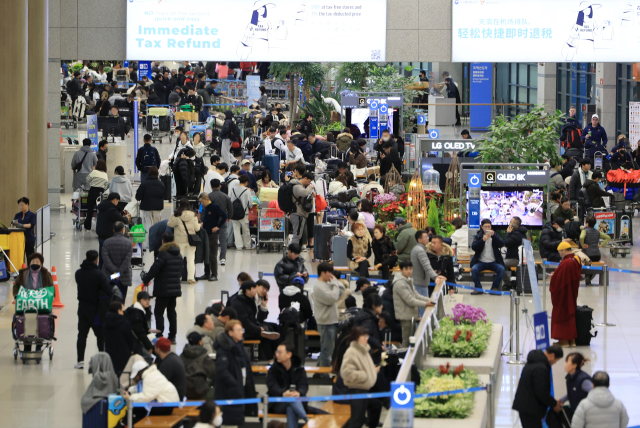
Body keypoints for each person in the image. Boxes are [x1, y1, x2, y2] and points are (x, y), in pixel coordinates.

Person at [213, 320, 258, 427]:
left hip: (241, 391)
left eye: (242, 330)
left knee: (240, 421)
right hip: (230, 393)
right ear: (230, 333)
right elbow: (222, 371)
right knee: (231, 422)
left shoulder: (239, 347)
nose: (241, 332)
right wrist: (235, 384)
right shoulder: (224, 350)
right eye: (238, 330)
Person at [75, 250, 113, 369]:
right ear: (97, 260)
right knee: (100, 336)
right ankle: (102, 361)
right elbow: (108, 290)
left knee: (82, 335)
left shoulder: (78, 273)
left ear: (86, 258)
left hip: (82, 308)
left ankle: (80, 361)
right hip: (97, 310)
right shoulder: (99, 274)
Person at [142, 233, 183, 343]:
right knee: (171, 312)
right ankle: (172, 336)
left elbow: (154, 269)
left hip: (163, 289)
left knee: (158, 312)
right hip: (174, 288)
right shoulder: (179, 255)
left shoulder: (163, 254)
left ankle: (160, 335)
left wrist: (146, 279)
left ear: (163, 241)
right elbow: (180, 272)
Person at [512, 346, 564, 428]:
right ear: (552, 356)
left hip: (526, 405)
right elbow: (541, 391)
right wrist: (554, 404)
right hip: (530, 408)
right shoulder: (541, 368)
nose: (555, 363)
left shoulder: (534, 362)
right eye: (556, 360)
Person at [339, 327, 382, 428]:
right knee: (357, 420)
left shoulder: (363, 350)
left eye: (367, 336)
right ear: (357, 338)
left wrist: (372, 371)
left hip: (363, 389)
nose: (366, 338)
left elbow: (364, 367)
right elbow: (346, 372)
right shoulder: (352, 352)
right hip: (356, 390)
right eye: (364, 336)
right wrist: (366, 375)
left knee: (376, 406)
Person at [121, 360, 180, 425]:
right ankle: (124, 423)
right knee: (138, 410)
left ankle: (123, 424)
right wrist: (130, 392)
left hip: (166, 406)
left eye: (135, 376)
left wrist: (130, 397)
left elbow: (146, 397)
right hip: (166, 404)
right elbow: (142, 388)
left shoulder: (150, 377)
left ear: (139, 373)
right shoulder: (151, 374)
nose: (135, 378)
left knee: (139, 411)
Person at [267, 343, 310, 428]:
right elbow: (271, 385)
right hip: (278, 403)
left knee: (291, 409)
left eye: (280, 352)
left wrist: (299, 393)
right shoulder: (273, 370)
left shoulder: (299, 369)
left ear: (289, 354)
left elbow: (303, 384)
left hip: (296, 401)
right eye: (276, 352)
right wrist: (282, 393)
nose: (277, 355)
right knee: (291, 398)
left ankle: (306, 419)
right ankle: (306, 419)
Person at [313, 262, 347, 367]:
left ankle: (319, 372)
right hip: (326, 322)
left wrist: (335, 281)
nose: (331, 275)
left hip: (331, 321)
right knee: (327, 351)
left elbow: (341, 291)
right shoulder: (319, 287)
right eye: (329, 272)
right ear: (323, 273)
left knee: (328, 349)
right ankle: (324, 374)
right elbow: (333, 298)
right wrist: (334, 283)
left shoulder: (328, 283)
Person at [394, 261, 434, 347]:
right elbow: (410, 300)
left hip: (410, 315)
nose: (409, 271)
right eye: (406, 269)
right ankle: (404, 358)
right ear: (401, 270)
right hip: (405, 316)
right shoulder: (399, 283)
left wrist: (430, 299)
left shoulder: (408, 280)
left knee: (411, 340)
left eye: (410, 269)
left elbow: (416, 295)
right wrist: (426, 304)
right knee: (406, 341)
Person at [549, 242, 582, 347]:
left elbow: (559, 281)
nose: (559, 254)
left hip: (564, 294)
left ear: (564, 250)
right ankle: (572, 341)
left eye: (559, 252)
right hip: (571, 292)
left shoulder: (566, 263)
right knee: (570, 314)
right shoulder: (576, 259)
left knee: (561, 314)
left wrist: (553, 277)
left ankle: (563, 341)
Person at [167, 198, 200, 284]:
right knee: (191, 259)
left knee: (178, 259)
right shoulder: (193, 215)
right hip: (191, 240)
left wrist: (172, 215)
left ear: (179, 205)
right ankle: (191, 278)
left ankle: (178, 277)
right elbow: (197, 228)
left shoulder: (177, 215)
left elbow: (169, 224)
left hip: (179, 240)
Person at [470, 219, 505, 294]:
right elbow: (474, 247)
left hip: (493, 262)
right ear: (482, 227)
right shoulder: (478, 235)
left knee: (501, 269)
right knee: (474, 269)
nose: (487, 228)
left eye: (489, 226)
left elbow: (501, 244)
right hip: (481, 262)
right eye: (485, 226)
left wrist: (494, 236)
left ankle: (494, 287)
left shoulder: (495, 234)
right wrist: (482, 240)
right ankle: (478, 288)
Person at [96, 193, 131, 268]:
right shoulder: (111, 209)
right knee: (108, 258)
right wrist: (126, 218)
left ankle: (101, 272)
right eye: (117, 201)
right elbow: (121, 220)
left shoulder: (103, 206)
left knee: (102, 256)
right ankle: (107, 274)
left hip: (101, 234)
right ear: (115, 200)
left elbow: (113, 216)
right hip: (108, 236)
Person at [197, 193, 227, 281]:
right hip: (206, 233)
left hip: (213, 234)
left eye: (202, 201)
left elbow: (224, 216)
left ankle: (214, 274)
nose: (202, 203)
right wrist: (203, 223)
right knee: (206, 254)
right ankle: (207, 273)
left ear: (206, 199)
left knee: (212, 255)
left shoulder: (214, 206)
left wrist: (218, 226)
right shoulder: (207, 207)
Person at [555, 353, 592, 423]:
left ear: (574, 365)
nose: (564, 364)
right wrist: (562, 400)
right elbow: (574, 392)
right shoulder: (570, 377)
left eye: (567, 362)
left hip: (585, 415)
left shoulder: (583, 380)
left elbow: (595, 392)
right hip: (576, 411)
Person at [103, 301, 136, 376]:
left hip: (110, 351)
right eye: (122, 310)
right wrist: (132, 349)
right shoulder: (125, 323)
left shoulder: (106, 323)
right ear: (118, 311)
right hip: (124, 352)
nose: (123, 312)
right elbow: (130, 338)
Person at [101, 221, 133, 300]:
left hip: (109, 275)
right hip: (124, 276)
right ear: (123, 230)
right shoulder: (129, 243)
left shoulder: (106, 242)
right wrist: (119, 272)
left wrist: (115, 272)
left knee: (109, 299)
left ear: (113, 230)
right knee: (122, 299)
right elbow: (127, 260)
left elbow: (105, 259)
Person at [181, 331, 216, 399]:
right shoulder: (204, 357)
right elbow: (214, 373)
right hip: (200, 391)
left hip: (186, 391)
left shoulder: (182, 356)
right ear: (200, 342)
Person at [412, 230, 445, 301]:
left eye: (427, 236)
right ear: (419, 239)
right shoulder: (420, 251)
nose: (428, 238)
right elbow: (427, 266)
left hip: (418, 282)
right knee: (423, 308)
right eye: (425, 237)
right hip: (421, 284)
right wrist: (435, 277)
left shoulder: (416, 249)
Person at [123, 291, 155, 363]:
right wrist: (149, 346)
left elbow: (144, 330)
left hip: (137, 340)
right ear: (139, 300)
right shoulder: (136, 314)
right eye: (145, 299)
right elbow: (140, 333)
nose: (147, 301)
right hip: (133, 343)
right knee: (149, 356)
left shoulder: (140, 310)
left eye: (149, 299)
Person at [208, 178, 232, 266]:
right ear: (220, 186)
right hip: (222, 220)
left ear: (211, 187)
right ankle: (222, 258)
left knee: (211, 240)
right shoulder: (225, 196)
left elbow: (204, 209)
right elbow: (230, 207)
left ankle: (211, 257)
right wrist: (229, 216)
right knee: (223, 240)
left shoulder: (209, 196)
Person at [580, 215, 610, 285]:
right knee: (591, 262)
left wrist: (582, 244)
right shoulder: (597, 232)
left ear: (587, 223)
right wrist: (601, 245)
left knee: (584, 260)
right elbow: (608, 237)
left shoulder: (584, 231)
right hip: (597, 255)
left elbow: (581, 237)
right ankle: (590, 276)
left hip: (587, 255)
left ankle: (587, 275)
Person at [288, 172, 315, 246]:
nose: (309, 183)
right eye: (309, 181)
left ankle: (293, 253)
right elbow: (304, 193)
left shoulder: (299, 186)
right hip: (298, 214)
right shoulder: (297, 186)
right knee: (297, 236)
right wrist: (311, 187)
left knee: (297, 235)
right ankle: (292, 253)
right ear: (305, 178)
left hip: (298, 214)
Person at [135, 165, 165, 232]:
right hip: (157, 208)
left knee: (147, 226)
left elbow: (138, 197)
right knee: (157, 226)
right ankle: (155, 240)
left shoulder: (144, 184)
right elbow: (164, 195)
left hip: (146, 208)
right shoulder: (161, 184)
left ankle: (148, 240)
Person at [501, 217, 528, 289]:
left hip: (516, 259)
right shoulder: (520, 232)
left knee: (499, 264)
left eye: (510, 222)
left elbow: (506, 243)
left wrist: (508, 233)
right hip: (515, 257)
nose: (509, 224)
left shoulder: (517, 234)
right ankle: (510, 282)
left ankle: (507, 283)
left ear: (515, 224)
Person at [83, 159, 109, 230]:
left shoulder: (94, 172)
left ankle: (88, 226)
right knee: (100, 210)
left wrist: (93, 170)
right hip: (101, 193)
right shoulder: (105, 174)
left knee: (90, 209)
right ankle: (100, 226)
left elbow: (87, 179)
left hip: (93, 191)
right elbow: (106, 185)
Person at [230, 175, 254, 251]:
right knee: (245, 230)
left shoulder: (233, 189)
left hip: (234, 213)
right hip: (244, 213)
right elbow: (250, 204)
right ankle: (247, 245)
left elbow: (230, 200)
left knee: (236, 229)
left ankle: (239, 246)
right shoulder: (247, 191)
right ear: (246, 182)